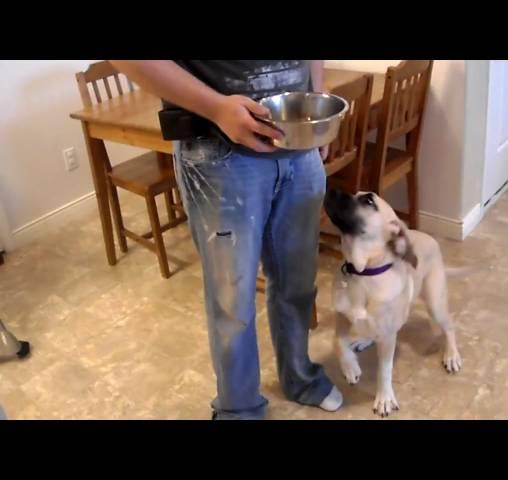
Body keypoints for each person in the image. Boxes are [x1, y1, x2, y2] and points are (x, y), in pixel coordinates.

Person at [110, 60, 342, 419]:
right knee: (233, 303)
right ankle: (239, 410)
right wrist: (215, 107)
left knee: (297, 283)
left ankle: (299, 377)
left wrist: (316, 102)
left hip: (299, 143)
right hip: (218, 152)